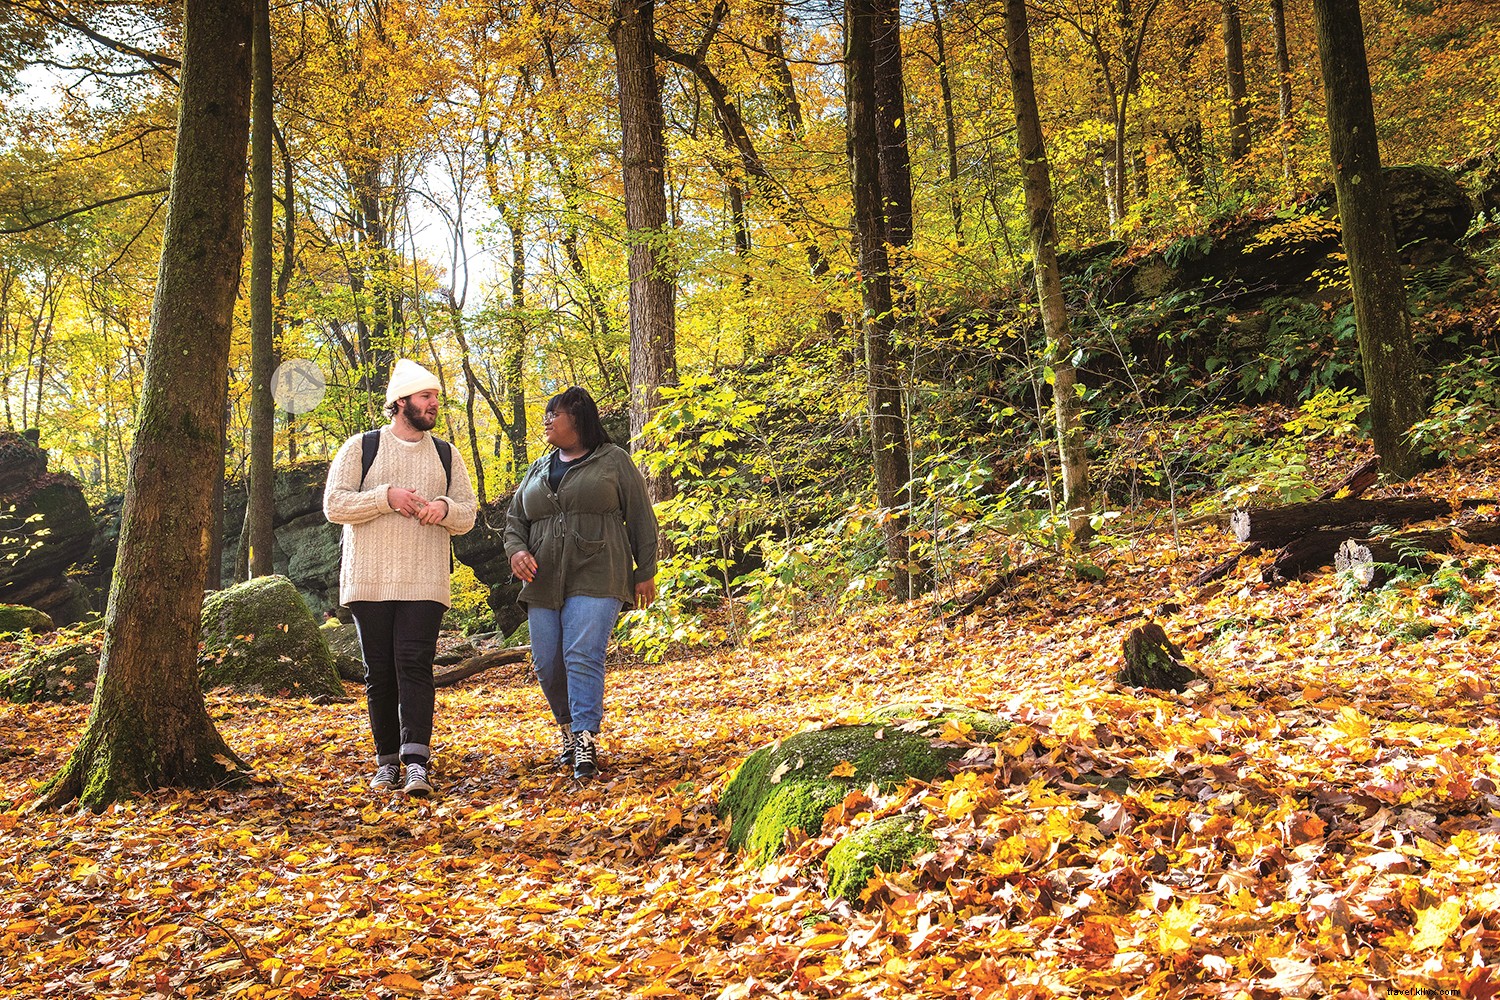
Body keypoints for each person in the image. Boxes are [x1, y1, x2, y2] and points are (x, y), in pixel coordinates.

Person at [323, 359, 477, 796]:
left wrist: (444, 509)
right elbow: (335, 505)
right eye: (426, 397)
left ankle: (416, 762)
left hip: (424, 580)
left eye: (435, 398)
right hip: (369, 580)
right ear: (401, 402)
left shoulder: (446, 453)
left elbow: (467, 512)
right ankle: (386, 761)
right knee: (380, 672)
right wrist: (386, 497)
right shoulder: (361, 447)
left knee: (414, 665)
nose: (433, 405)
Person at [504, 387, 658, 780]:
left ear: (577, 417)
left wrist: (645, 571)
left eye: (553, 414)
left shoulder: (614, 460)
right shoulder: (538, 467)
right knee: (546, 662)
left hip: (598, 570)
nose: (547, 421)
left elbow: (641, 516)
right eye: (545, 415)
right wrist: (516, 552)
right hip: (543, 577)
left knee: (581, 653)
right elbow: (514, 522)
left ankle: (587, 738)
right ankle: (569, 730)